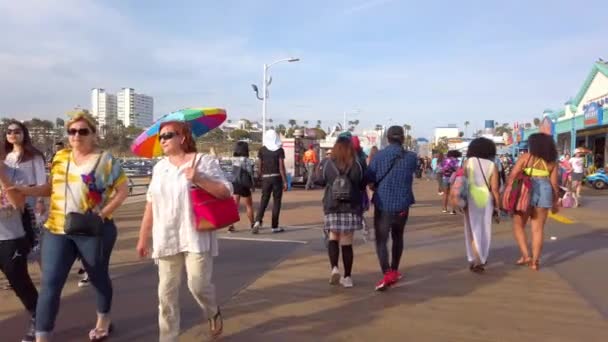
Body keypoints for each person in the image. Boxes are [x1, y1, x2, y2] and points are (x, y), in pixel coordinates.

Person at [14, 110, 129, 341]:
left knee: (98, 277)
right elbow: (51, 188)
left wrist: (103, 214)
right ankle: (42, 335)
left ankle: (103, 320)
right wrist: (27, 191)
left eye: (82, 131)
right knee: (50, 283)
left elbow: (123, 190)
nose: (76, 135)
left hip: (92, 230)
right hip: (57, 228)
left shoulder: (105, 160)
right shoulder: (60, 157)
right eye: (72, 131)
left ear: (93, 134)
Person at [136, 121, 231, 341]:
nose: (163, 140)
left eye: (168, 135)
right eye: (161, 137)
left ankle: (212, 310)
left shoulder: (203, 161)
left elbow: (226, 192)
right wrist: (143, 237)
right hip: (166, 237)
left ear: (183, 137)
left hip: (196, 235)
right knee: (165, 295)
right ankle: (168, 338)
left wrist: (198, 177)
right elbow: (151, 203)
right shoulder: (160, 167)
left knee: (198, 285)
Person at [366, 126, 417, 291]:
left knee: (381, 240)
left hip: (383, 203)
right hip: (402, 204)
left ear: (388, 138)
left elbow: (370, 177)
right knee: (398, 237)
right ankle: (394, 269)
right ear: (402, 138)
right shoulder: (411, 157)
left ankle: (387, 272)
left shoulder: (379, 156)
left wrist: (374, 186)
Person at [0, 146, 39, 342]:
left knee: (19, 282)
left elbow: (18, 204)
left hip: (10, 238)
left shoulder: (16, 173)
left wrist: (2, 177)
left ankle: (38, 316)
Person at [316, 136, 365, 288]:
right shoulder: (356, 165)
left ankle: (334, 268)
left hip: (332, 205)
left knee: (333, 237)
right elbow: (362, 184)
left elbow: (319, 180)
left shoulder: (328, 164)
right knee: (346, 242)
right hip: (350, 207)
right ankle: (348, 277)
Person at [508, 133, 559, 271]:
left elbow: (513, 176)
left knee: (519, 225)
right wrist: (555, 202)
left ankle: (526, 255)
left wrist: (508, 191)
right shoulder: (552, 162)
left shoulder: (526, 157)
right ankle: (535, 262)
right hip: (545, 190)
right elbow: (554, 184)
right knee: (538, 229)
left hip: (525, 190)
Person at [462, 138, 501, 272]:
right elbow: (495, 189)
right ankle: (481, 257)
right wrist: (497, 207)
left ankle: (475, 259)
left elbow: (464, 182)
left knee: (472, 229)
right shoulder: (492, 165)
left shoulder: (468, 162)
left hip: (472, 197)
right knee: (484, 229)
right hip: (486, 198)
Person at [253, 130, 287, 234]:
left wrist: (260, 176)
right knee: (276, 202)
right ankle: (274, 226)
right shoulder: (280, 150)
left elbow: (259, 166)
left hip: (266, 178)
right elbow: (281, 167)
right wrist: (285, 181)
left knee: (264, 200)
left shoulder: (262, 150)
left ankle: (257, 221)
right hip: (276, 178)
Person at [228, 141, 255, 233]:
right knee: (249, 205)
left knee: (235, 206)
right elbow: (251, 173)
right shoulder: (249, 160)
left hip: (235, 184)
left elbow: (230, 172)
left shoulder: (233, 160)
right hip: (245, 184)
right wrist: (253, 185)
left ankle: (231, 225)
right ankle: (252, 224)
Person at [440, 150, 461, 214]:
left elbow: (440, 169)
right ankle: (452, 210)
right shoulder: (456, 161)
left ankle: (444, 208)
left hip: (445, 177)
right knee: (453, 194)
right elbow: (458, 169)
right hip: (454, 178)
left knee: (445, 193)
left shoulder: (444, 161)